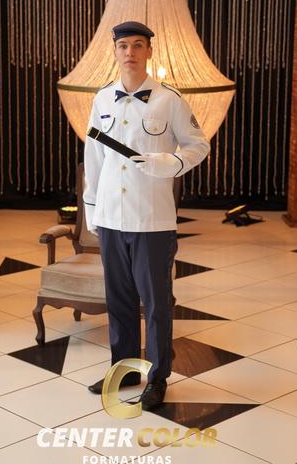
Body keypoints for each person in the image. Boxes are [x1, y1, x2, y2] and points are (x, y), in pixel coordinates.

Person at [83, 21, 210, 410]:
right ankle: (124, 371)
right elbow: (94, 158)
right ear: (115, 51)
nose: (131, 52)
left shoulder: (169, 100)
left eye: (138, 45)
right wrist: (92, 209)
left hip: (151, 220)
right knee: (118, 300)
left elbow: (198, 145)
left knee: (156, 303)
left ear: (149, 51)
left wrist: (166, 162)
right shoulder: (102, 99)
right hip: (111, 217)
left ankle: (157, 378)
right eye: (124, 46)